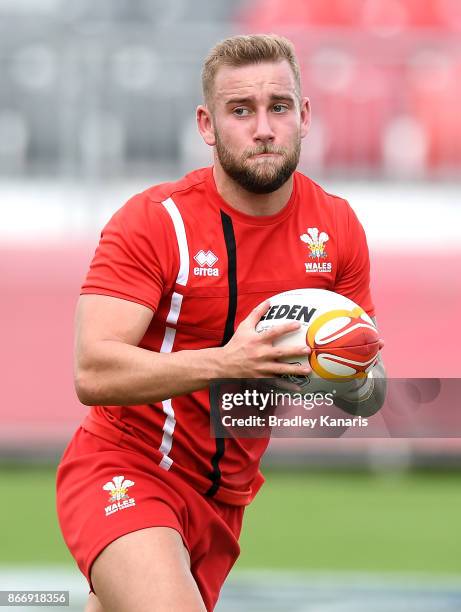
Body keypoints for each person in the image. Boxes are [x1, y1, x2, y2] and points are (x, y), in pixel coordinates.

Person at [56, 34, 385, 612]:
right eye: (241, 111)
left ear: (304, 116)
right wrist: (228, 363)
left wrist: (349, 373)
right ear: (207, 125)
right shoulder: (155, 222)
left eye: (278, 107)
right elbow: (93, 368)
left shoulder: (337, 228)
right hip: (126, 467)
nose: (264, 128)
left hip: (223, 502)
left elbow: (369, 389)